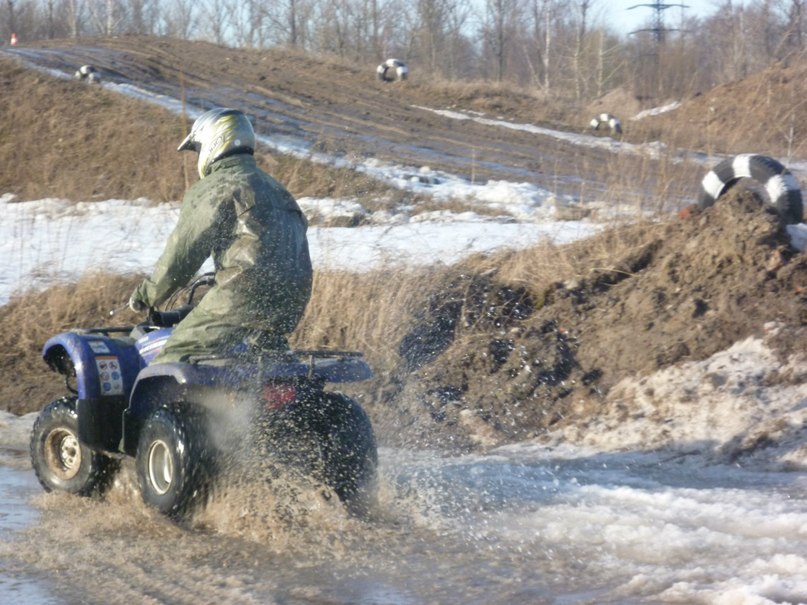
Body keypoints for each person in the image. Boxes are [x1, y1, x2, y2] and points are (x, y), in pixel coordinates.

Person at [129, 107, 313, 364]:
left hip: (241, 297)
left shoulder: (219, 185)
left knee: (172, 359)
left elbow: (184, 253)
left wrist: (147, 294)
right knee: (267, 366)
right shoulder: (277, 189)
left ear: (213, 140)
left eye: (197, 148)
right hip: (289, 302)